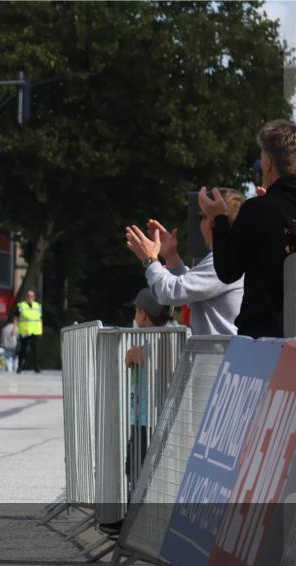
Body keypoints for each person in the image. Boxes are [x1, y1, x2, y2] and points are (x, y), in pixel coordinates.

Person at [203, 119, 296, 338]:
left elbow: (227, 271)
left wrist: (219, 218)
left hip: (264, 341)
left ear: (267, 163)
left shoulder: (257, 209)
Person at [100, 288, 173, 535]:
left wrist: (142, 357)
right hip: (140, 418)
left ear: (143, 313)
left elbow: (166, 364)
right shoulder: (149, 340)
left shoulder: (163, 340)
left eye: (136, 310)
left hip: (150, 420)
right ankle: (133, 519)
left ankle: (139, 525)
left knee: (142, 470)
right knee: (134, 467)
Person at [125, 188, 246, 336]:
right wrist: (171, 257)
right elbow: (190, 292)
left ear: (211, 221)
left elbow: (170, 293)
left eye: (201, 216)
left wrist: (149, 260)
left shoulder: (224, 259)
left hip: (219, 358)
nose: (200, 223)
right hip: (223, 356)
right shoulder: (233, 256)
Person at [15, 290, 42, 373]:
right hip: (25, 331)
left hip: (35, 331)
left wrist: (41, 330)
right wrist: (14, 328)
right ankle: (19, 367)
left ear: (34, 297)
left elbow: (40, 319)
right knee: (22, 349)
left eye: (32, 296)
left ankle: (37, 368)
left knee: (36, 350)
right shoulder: (21, 305)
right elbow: (16, 317)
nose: (30, 297)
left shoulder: (38, 306)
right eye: (28, 296)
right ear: (26, 297)